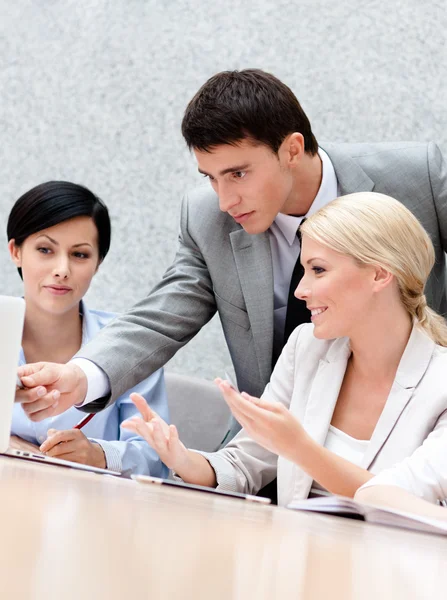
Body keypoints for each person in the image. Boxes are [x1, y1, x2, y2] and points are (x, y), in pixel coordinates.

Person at [15, 70, 447, 442]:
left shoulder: (417, 176)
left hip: (417, 441)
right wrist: (80, 375)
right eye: (211, 178)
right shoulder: (208, 219)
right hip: (268, 456)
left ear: (291, 149)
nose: (224, 200)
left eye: (238, 173)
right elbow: (160, 317)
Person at [121, 193, 447, 506]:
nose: (301, 291)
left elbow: (406, 502)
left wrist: (298, 447)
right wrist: (182, 459)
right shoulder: (306, 347)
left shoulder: (440, 382)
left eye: (318, 269)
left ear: (379, 274)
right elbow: (242, 465)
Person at [8, 181, 168, 477]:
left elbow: (156, 459)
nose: (62, 269)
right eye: (45, 249)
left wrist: (99, 455)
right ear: (15, 251)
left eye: (79, 254)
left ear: (98, 263)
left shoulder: (132, 344)